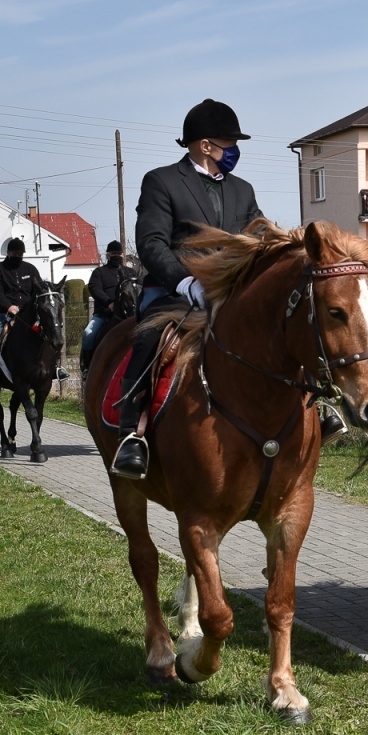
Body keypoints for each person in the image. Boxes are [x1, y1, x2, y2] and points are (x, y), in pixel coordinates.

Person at [110, 98, 266, 479]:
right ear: (205, 145)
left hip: (229, 292)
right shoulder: (161, 181)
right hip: (173, 290)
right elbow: (151, 242)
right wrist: (185, 280)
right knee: (152, 339)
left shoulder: (242, 190)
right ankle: (132, 432)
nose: (234, 151)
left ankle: (313, 411)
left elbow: (257, 235)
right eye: (229, 144)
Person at [0, 237, 48, 385]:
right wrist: (8, 306)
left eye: (20, 254)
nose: (18, 256)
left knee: (50, 332)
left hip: (28, 314)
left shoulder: (31, 269)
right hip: (4, 314)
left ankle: (54, 368)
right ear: (8, 252)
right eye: (15, 253)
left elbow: (39, 288)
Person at [82, 240, 137, 377]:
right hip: (104, 315)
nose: (116, 256)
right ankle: (87, 367)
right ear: (107, 255)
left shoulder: (130, 272)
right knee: (88, 333)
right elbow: (94, 288)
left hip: (128, 316)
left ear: (123, 255)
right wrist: (109, 303)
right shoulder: (99, 272)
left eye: (118, 253)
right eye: (113, 253)